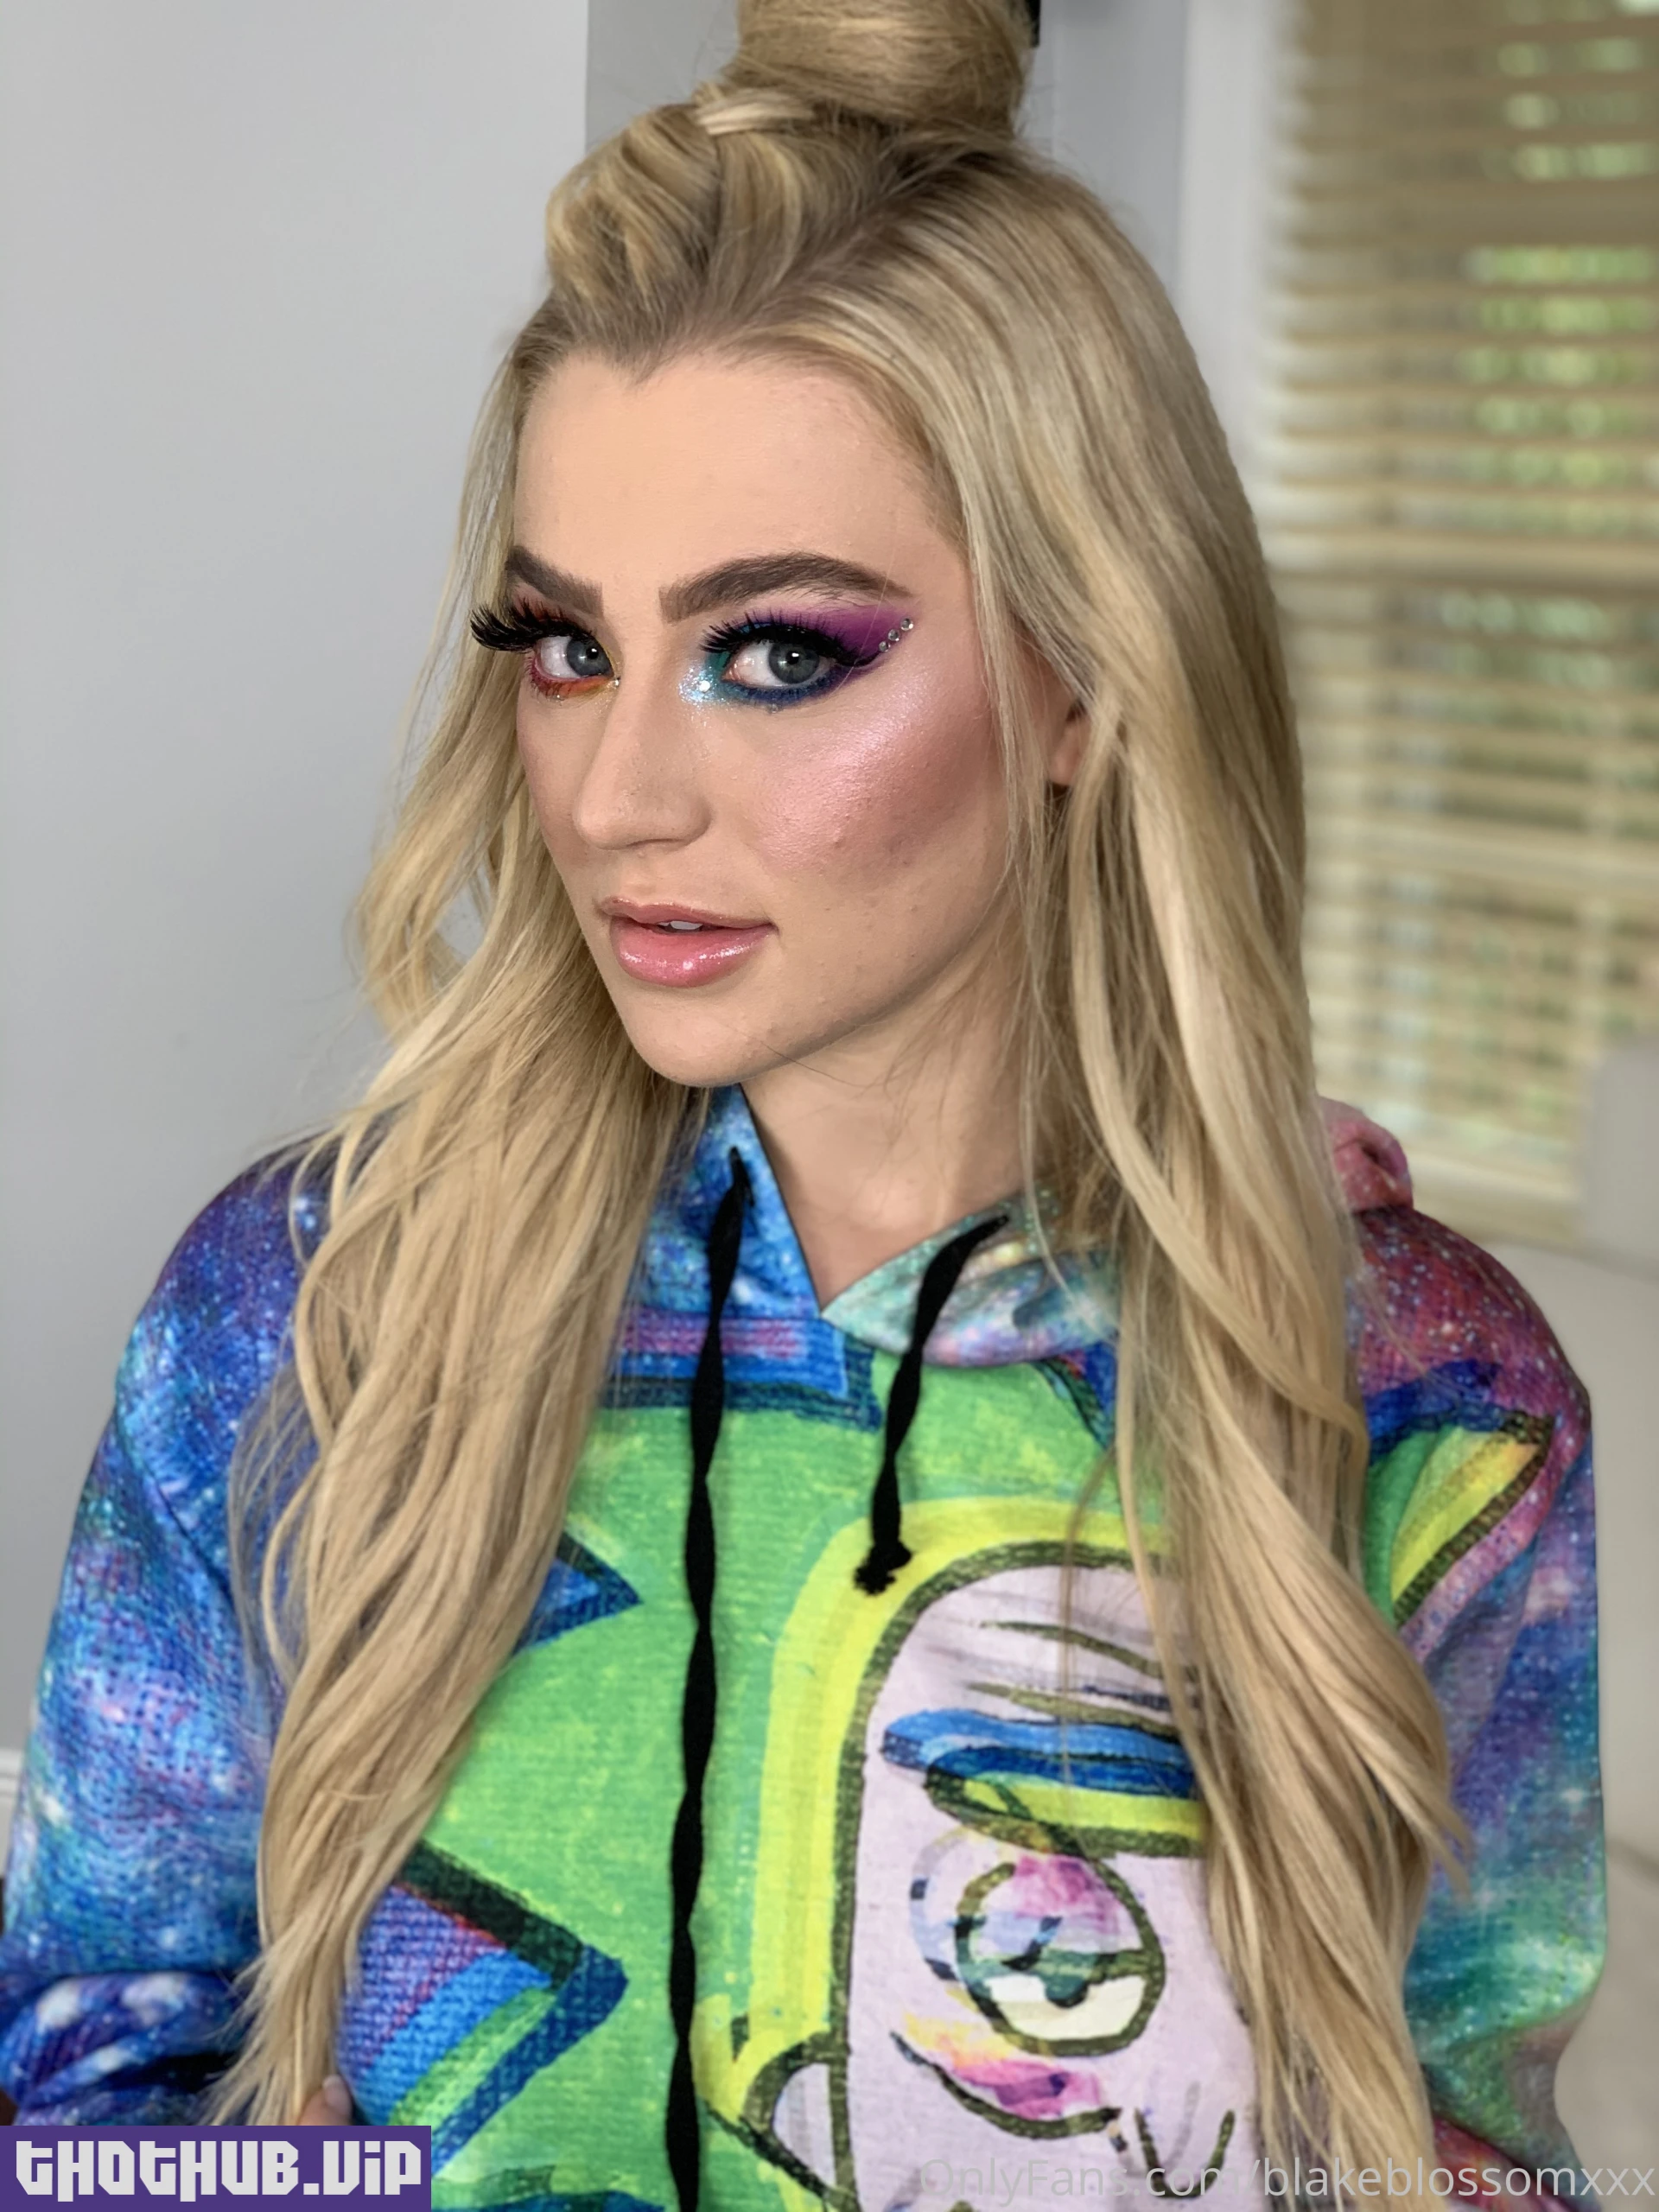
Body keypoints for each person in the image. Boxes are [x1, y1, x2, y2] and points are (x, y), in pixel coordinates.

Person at [0, 1, 1602, 2204]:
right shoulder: (301, 1313)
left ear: (1085, 674)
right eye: (566, 645)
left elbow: (1461, 2153)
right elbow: (85, 2104)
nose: (616, 795)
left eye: (777, 654)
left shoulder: (1413, 1382)